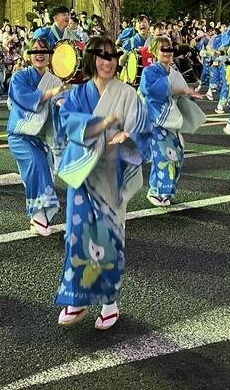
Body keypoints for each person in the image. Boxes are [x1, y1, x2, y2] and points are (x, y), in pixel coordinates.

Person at [55, 36, 150, 330]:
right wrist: (105, 123)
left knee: (108, 236)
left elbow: (141, 129)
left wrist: (128, 136)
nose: (106, 61)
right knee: (77, 232)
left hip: (111, 174)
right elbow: (70, 124)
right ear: (91, 58)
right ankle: (78, 296)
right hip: (83, 173)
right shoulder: (78, 93)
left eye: (111, 56)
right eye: (100, 55)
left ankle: (109, 302)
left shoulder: (128, 94)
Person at [7, 38, 67, 235]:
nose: (39, 54)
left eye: (44, 50)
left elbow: (61, 100)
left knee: (42, 172)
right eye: (34, 51)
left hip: (42, 138)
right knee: (36, 164)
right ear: (28, 55)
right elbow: (24, 98)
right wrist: (51, 95)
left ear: (50, 55)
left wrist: (61, 104)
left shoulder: (56, 80)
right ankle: (37, 215)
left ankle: (39, 215)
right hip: (20, 135)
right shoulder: (19, 77)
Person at [139, 36, 206, 207]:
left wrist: (188, 93)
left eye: (169, 48)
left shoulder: (174, 72)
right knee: (164, 156)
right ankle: (156, 191)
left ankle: (162, 190)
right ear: (155, 52)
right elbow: (151, 90)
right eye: (163, 49)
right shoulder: (150, 71)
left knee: (178, 157)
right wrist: (176, 88)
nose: (167, 52)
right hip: (156, 119)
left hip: (171, 119)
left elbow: (182, 91)